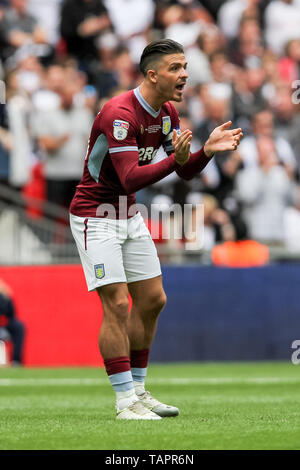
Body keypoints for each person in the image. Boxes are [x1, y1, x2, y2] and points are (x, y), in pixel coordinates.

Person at [69, 39, 243, 420]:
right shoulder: (119, 114)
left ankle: (140, 390)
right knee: (116, 303)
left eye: (185, 66)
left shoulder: (166, 113)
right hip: (95, 215)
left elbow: (182, 169)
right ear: (153, 75)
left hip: (127, 214)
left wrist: (207, 152)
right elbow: (131, 178)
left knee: (152, 300)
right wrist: (178, 160)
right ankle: (124, 402)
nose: (184, 75)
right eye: (176, 68)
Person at [0, 278, 25, 365]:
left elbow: (11, 313)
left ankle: (16, 361)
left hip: (5, 323)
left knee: (19, 326)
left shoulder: (4, 297)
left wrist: (5, 297)